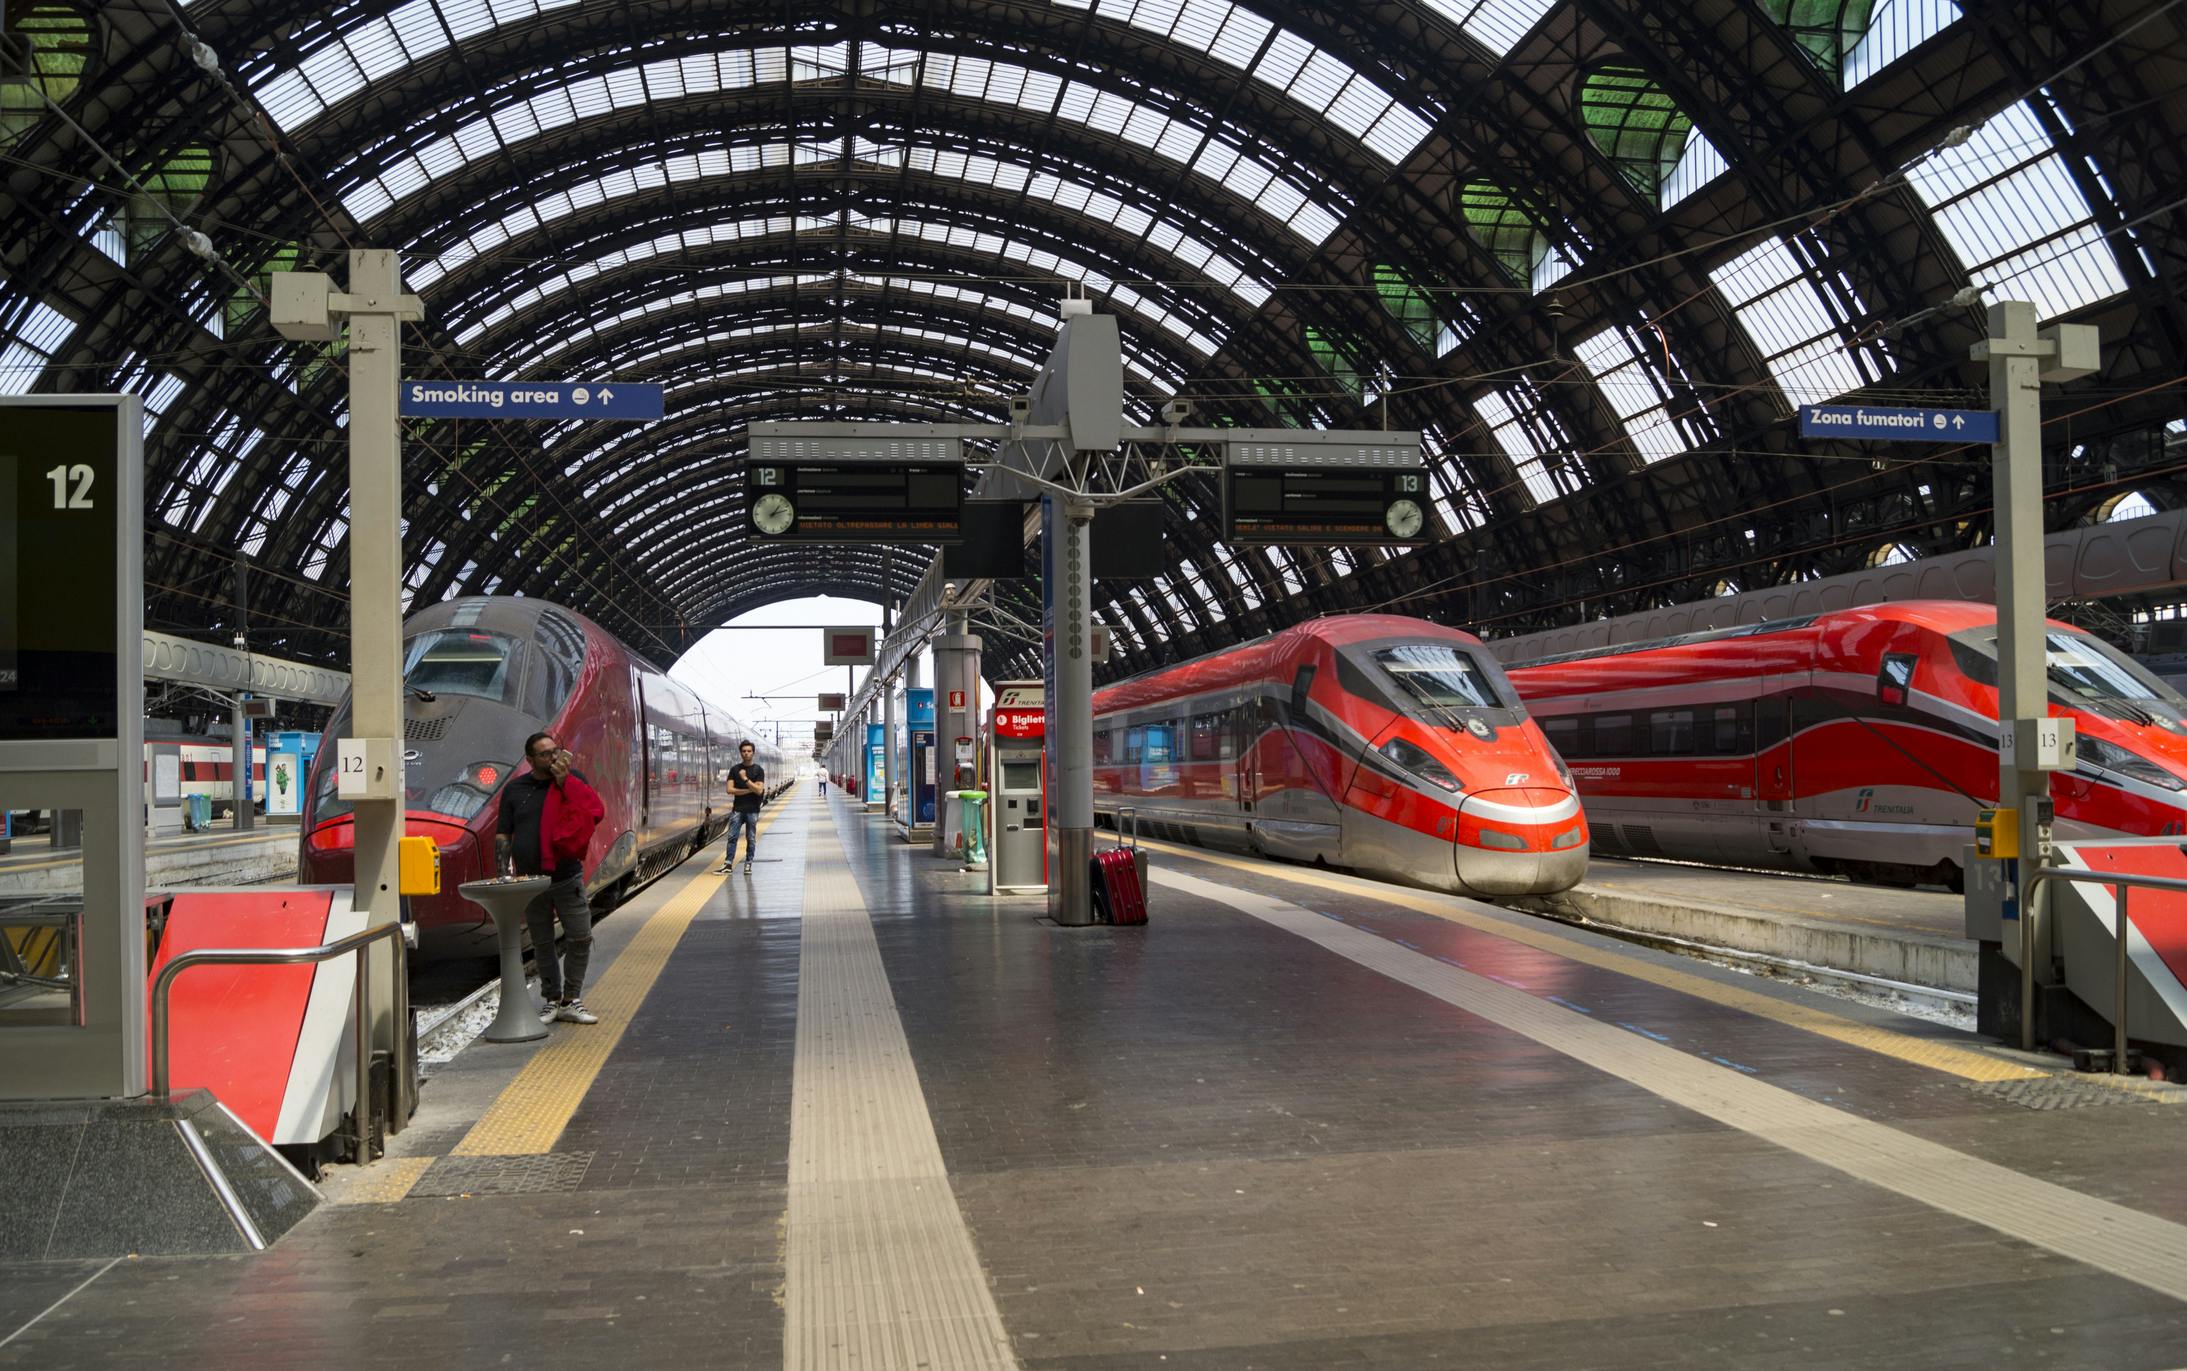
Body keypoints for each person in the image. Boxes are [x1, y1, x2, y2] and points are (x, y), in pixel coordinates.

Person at [495, 732, 605, 1025]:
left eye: (555, 751)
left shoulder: (574, 780)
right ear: (530, 760)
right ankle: (552, 999)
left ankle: (572, 999)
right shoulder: (515, 790)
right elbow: (504, 834)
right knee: (542, 942)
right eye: (545, 754)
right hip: (530, 880)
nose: (553, 757)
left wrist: (564, 782)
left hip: (567, 875)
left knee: (580, 936)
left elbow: (593, 812)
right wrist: (503, 875)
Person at [719, 740, 765, 874]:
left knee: (750, 838)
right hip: (737, 809)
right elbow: (729, 790)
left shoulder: (758, 770)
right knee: (732, 837)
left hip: (753, 810)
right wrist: (750, 789)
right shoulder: (734, 770)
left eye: (749, 751)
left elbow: (759, 790)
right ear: (740, 753)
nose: (746, 753)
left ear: (753, 753)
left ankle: (748, 863)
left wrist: (745, 779)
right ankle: (728, 864)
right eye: (744, 751)